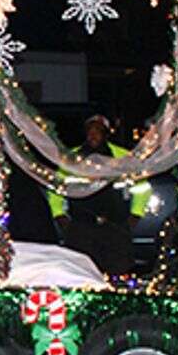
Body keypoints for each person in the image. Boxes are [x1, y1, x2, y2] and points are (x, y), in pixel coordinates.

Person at [48, 115, 138, 272]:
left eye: (98, 131)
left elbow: (142, 187)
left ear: (106, 134)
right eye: (89, 131)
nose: (93, 135)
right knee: (81, 273)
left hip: (114, 227)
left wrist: (135, 214)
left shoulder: (122, 157)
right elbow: (56, 187)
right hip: (81, 227)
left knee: (117, 271)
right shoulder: (72, 158)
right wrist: (59, 215)